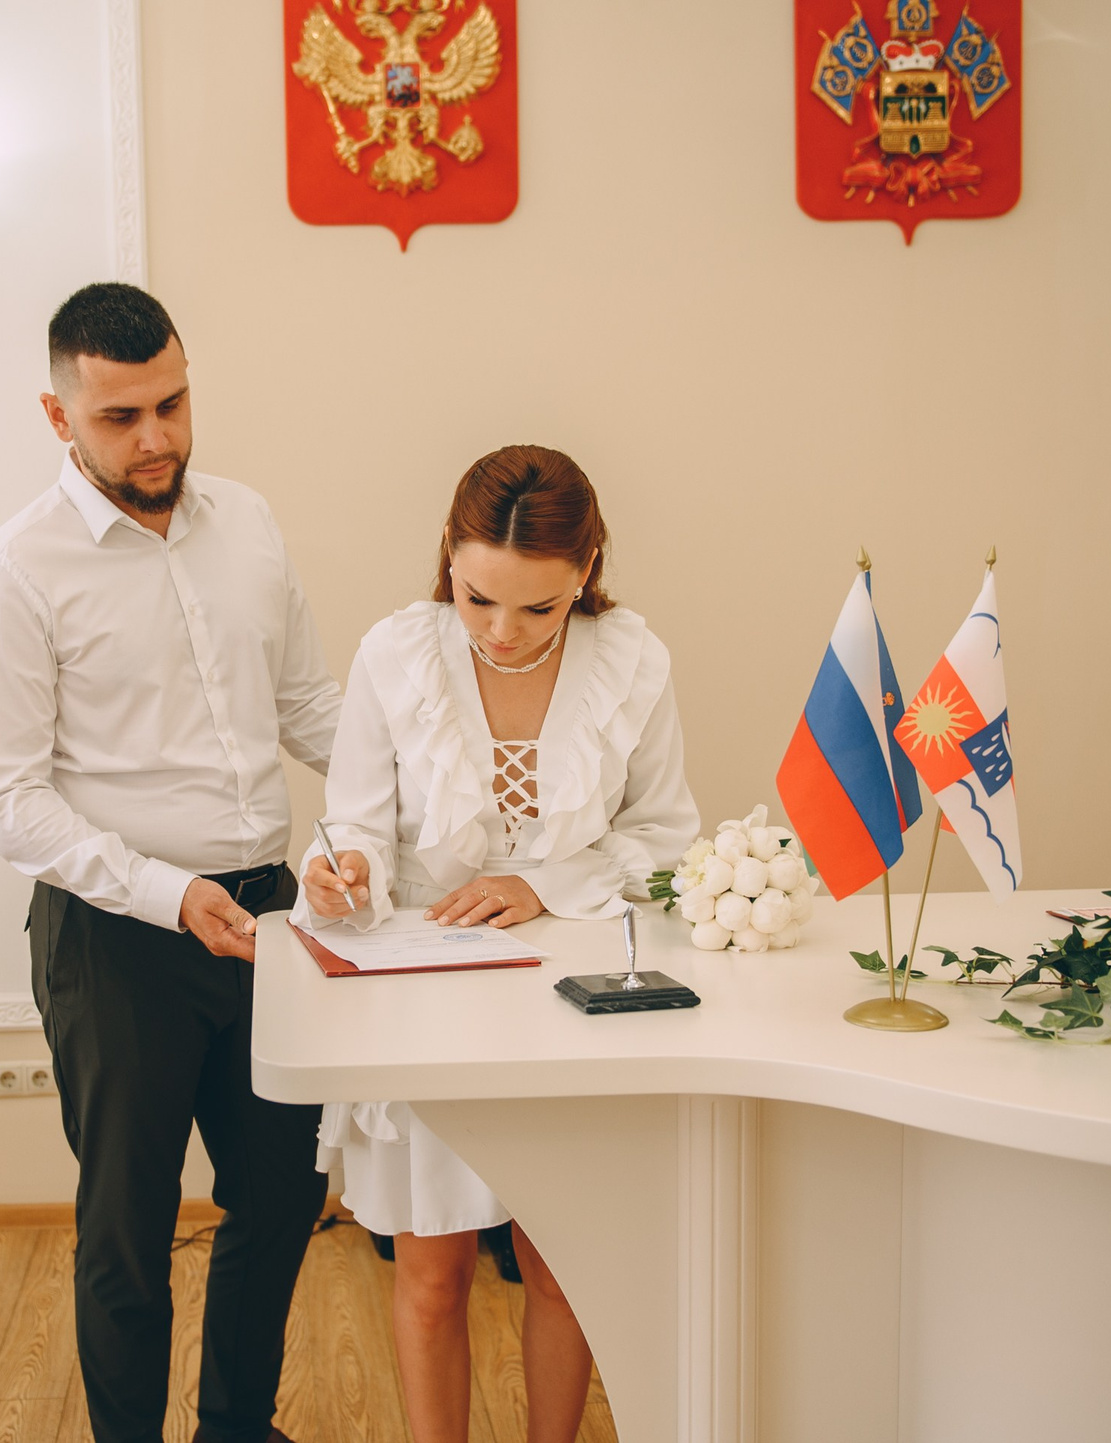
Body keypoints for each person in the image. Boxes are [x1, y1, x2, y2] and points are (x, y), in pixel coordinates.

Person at [0, 282, 340, 1443]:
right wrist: (171, 896)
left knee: (284, 1196)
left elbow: (310, 708)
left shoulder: (249, 521)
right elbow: (7, 800)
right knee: (127, 1224)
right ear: (57, 415)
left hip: (269, 924)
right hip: (117, 937)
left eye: (172, 404)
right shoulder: (15, 571)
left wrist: (392, 811)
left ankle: (236, 1429)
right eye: (121, 417)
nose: (157, 437)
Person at [295, 445, 700, 1443]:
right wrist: (345, 871)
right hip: (425, 979)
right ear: (448, 552)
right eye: (478, 599)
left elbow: (663, 838)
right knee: (432, 1270)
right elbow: (355, 820)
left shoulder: (633, 660)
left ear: (587, 570)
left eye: (539, 608)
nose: (503, 631)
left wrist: (542, 884)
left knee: (562, 1267)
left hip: (576, 987)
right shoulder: (396, 653)